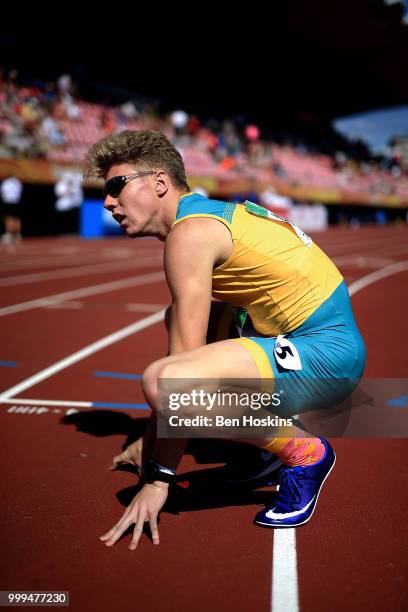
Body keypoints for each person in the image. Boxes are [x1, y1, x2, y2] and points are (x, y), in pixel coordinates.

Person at [84, 130, 366, 551]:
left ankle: (304, 452)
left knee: (163, 384)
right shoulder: (208, 217)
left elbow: (175, 385)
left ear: (159, 183)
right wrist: (148, 440)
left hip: (326, 355)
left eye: (115, 186)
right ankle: (261, 454)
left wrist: (159, 478)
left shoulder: (191, 234)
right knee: (186, 328)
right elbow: (185, 356)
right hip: (316, 346)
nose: (108, 201)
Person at [1, 176, 23, 244]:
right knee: (16, 218)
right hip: (16, 202)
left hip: (8, 202)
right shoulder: (17, 182)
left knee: (9, 218)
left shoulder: (6, 182)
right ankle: (17, 234)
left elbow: (3, 192)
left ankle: (9, 234)